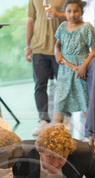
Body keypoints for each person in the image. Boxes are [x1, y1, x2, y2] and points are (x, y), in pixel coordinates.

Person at [53, 0, 95, 126]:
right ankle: (56, 134)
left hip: (81, 70)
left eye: (76, 11)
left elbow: (94, 50)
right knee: (59, 102)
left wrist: (84, 66)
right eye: (69, 11)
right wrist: (57, 53)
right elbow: (57, 45)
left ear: (82, 12)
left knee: (85, 102)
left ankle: (91, 135)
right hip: (64, 71)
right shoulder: (62, 27)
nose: (72, 14)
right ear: (65, 13)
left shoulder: (87, 27)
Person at [25, 0, 66, 136]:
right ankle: (43, 119)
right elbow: (30, 20)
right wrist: (27, 46)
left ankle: (62, 120)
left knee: (63, 85)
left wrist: (58, 14)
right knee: (39, 85)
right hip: (39, 48)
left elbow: (74, 15)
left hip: (60, 48)